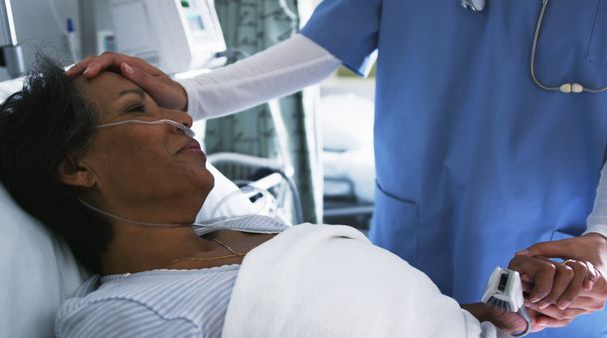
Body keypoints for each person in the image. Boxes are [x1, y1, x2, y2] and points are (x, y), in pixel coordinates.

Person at [66, 1, 607, 336]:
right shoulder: (142, 313)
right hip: (425, 231)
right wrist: (191, 93)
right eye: (138, 110)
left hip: (559, 249)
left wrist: (603, 238)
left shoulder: (257, 234)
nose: (179, 122)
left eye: (163, 109)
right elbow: (322, 45)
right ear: (73, 166)